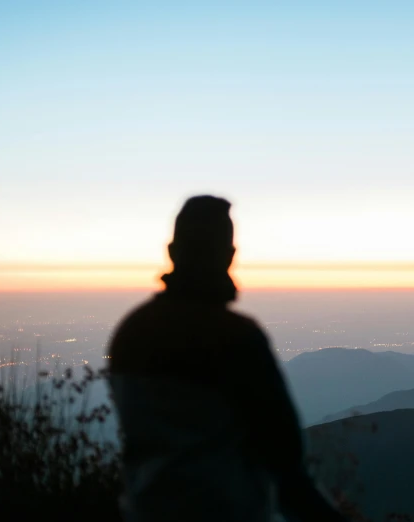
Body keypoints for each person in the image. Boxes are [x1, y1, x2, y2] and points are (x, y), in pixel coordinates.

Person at [107, 195, 347, 522]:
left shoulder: (130, 334)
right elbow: (285, 464)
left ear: (173, 252)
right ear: (229, 257)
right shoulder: (236, 339)